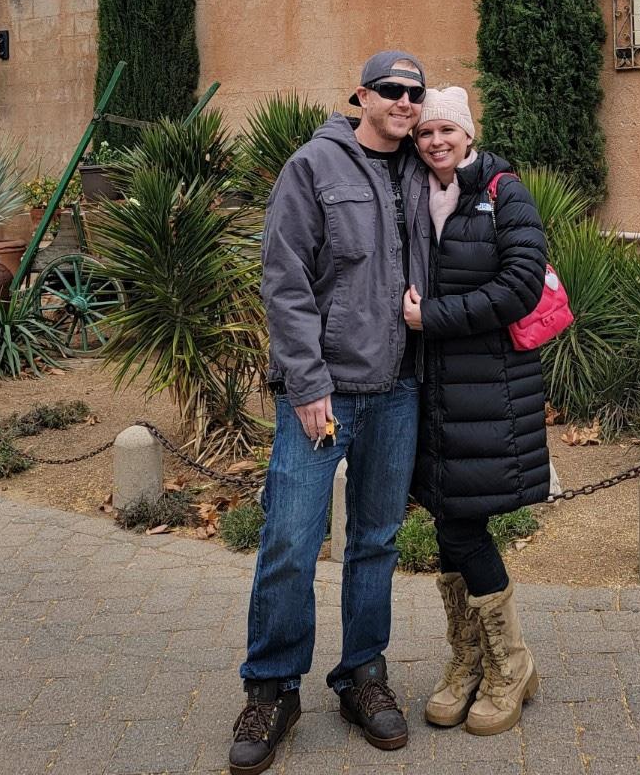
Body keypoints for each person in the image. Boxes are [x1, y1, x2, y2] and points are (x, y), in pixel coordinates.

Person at [230, 52, 431, 775]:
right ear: (361, 96)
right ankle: (272, 688)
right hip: (324, 393)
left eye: (415, 92)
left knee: (376, 540)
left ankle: (361, 677)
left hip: (400, 389)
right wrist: (307, 383)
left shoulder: (424, 168)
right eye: (391, 90)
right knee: (290, 537)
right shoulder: (313, 167)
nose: (404, 102)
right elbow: (284, 280)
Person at [403, 87, 549, 738]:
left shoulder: (503, 192)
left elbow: (521, 285)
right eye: (425, 132)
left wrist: (432, 317)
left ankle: (508, 664)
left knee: (463, 528)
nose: (436, 141)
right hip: (434, 394)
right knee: (448, 523)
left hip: (488, 390)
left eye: (447, 130)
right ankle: (470, 660)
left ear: (468, 134)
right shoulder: (414, 193)